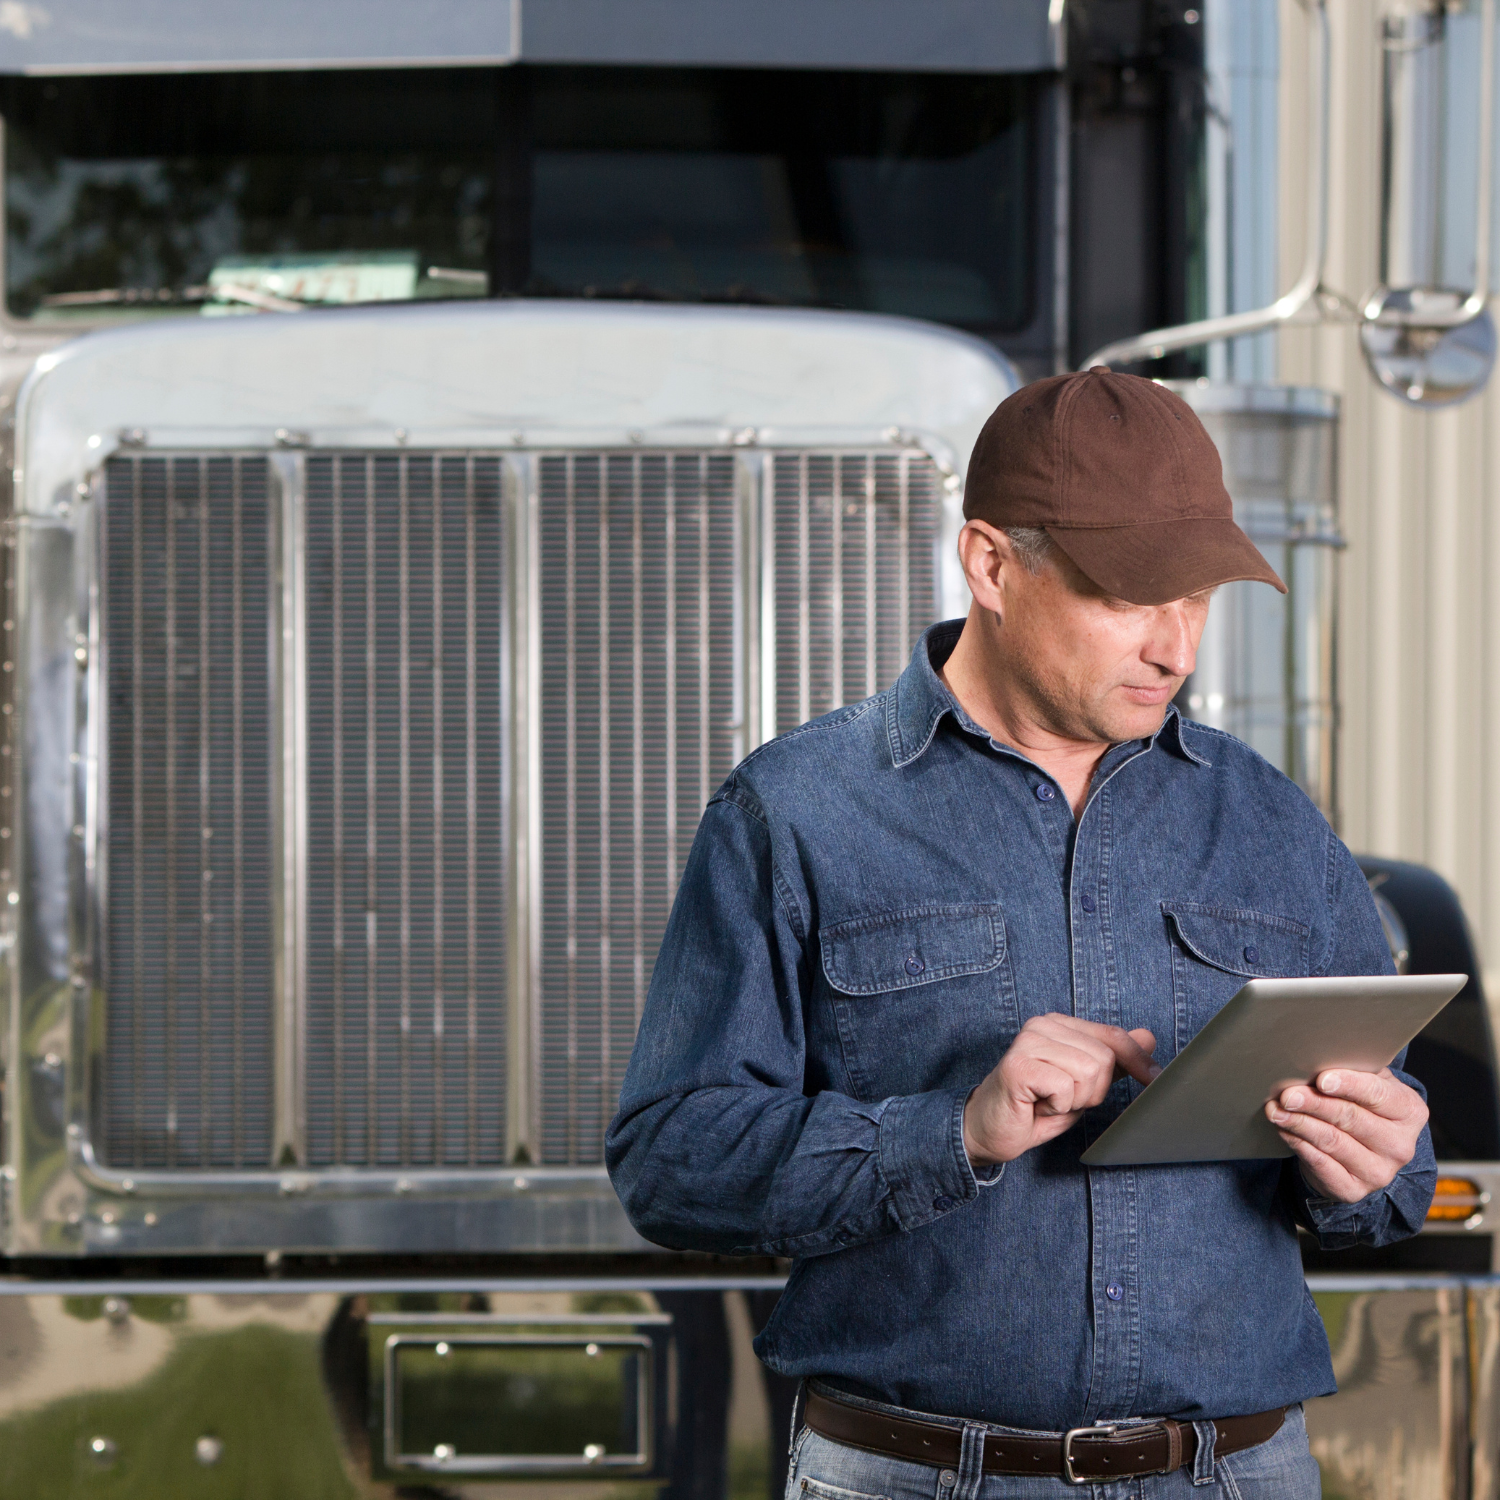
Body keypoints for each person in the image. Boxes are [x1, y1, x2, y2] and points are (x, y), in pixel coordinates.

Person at [605, 369, 1435, 1498]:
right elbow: (672, 1161)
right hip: (914, 1477)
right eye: (1130, 597)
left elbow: (1393, 1192)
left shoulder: (1270, 822)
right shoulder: (796, 812)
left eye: (1196, 598)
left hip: (1235, 1477)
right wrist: (955, 1134)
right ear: (992, 564)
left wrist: (1375, 1168)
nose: (1175, 648)